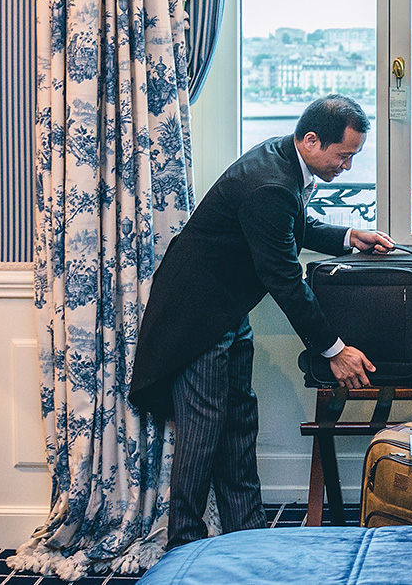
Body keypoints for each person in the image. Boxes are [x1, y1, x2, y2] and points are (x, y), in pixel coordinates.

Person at [130, 94, 396, 548]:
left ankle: (246, 539)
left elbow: (292, 225)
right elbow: (284, 279)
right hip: (197, 319)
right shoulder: (270, 182)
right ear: (312, 140)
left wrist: (349, 236)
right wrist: (333, 350)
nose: (347, 166)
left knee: (238, 423)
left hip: (227, 310)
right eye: (344, 155)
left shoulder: (284, 161)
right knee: (203, 435)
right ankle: (185, 548)